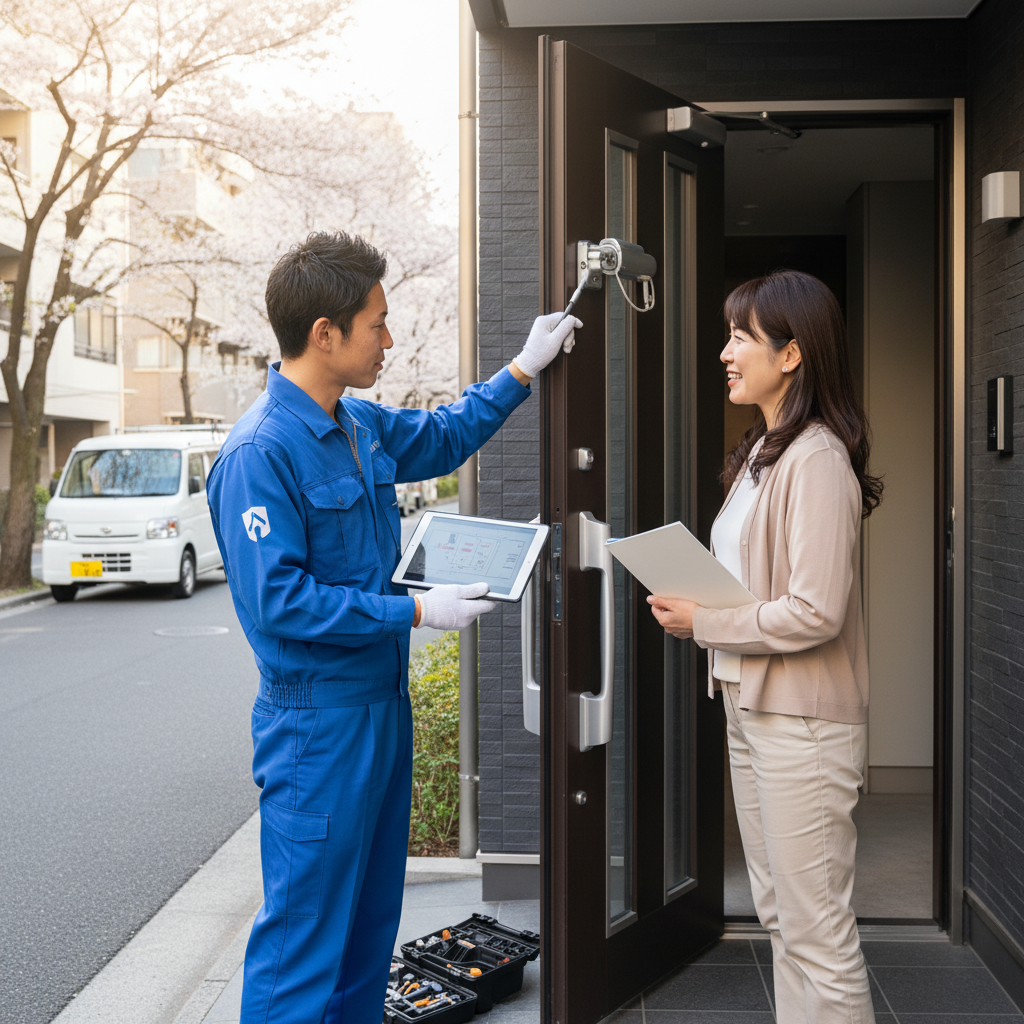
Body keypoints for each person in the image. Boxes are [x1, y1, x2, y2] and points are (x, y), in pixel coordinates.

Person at [206, 230, 581, 1024]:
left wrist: (522, 369)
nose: (389, 338)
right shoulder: (258, 454)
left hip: (383, 707)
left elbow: (444, 435)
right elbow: (279, 601)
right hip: (317, 726)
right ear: (325, 333)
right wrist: (415, 609)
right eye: (377, 323)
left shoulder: (357, 424)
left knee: (367, 932)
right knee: (303, 942)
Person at [648, 269, 883, 1024]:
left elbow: (816, 610)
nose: (725, 353)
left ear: (791, 353)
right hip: (750, 706)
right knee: (782, 914)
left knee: (817, 931)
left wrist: (704, 623)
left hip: (802, 722)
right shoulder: (764, 453)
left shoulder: (816, 458)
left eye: (739, 337)